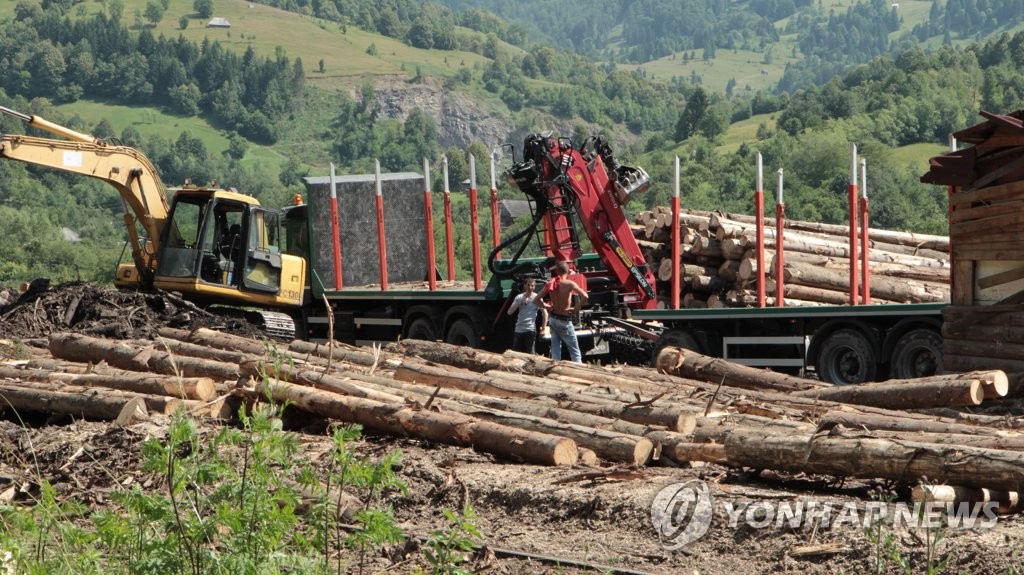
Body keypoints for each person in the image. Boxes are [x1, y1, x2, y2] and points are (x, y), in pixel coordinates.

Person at [536, 260, 588, 363]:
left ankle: (555, 370)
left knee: (555, 350)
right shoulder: (569, 284)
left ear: (557, 271)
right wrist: (576, 308)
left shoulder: (550, 283)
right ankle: (579, 372)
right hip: (564, 321)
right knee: (574, 351)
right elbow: (585, 296)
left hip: (553, 319)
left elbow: (536, 300)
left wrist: (548, 307)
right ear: (568, 271)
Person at [506, 277, 546, 353]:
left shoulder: (537, 298)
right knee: (516, 354)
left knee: (531, 355)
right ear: (524, 286)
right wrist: (519, 302)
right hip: (518, 330)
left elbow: (545, 313)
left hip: (530, 330)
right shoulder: (519, 297)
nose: (530, 287)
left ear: (534, 287)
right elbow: (509, 312)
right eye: (528, 285)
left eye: (532, 286)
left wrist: (543, 329)